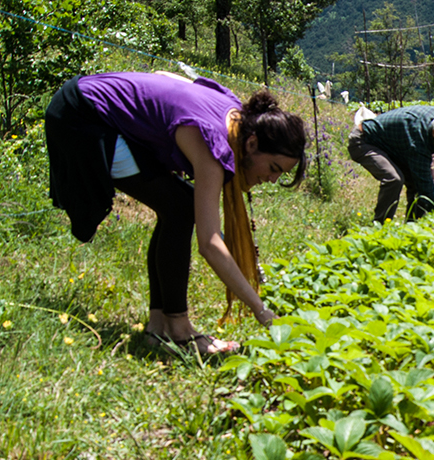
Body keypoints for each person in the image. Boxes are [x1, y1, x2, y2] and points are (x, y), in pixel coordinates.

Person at [44, 71, 307, 354]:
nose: (272, 180)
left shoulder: (236, 114)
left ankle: (158, 328)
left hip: (93, 102)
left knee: (178, 207)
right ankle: (179, 332)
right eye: (273, 169)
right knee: (180, 209)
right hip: (83, 115)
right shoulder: (212, 140)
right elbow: (209, 244)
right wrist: (260, 310)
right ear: (252, 143)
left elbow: (169, 78)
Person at [348, 104, 434, 223]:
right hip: (363, 141)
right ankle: (380, 227)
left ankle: (411, 226)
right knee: (394, 179)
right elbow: (426, 190)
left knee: (417, 181)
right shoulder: (418, 142)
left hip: (392, 145)